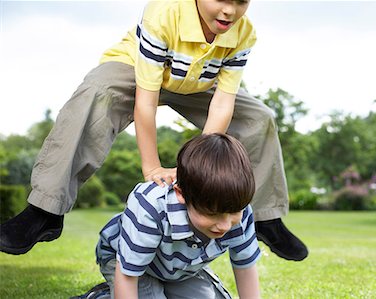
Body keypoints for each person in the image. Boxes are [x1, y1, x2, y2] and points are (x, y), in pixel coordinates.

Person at [0, 0, 308, 261]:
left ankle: (267, 218)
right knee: (96, 93)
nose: (229, 11)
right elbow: (146, 103)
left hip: (198, 83)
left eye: (241, 1)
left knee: (261, 117)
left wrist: (195, 173)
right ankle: (45, 210)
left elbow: (222, 106)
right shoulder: (164, 13)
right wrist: (152, 167)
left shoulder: (243, 34)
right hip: (136, 70)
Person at [72, 133, 261, 299]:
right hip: (129, 263)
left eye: (234, 213)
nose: (225, 225)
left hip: (178, 269)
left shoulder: (238, 207)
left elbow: (245, 266)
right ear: (181, 194)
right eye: (211, 214)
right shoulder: (149, 207)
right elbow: (128, 275)